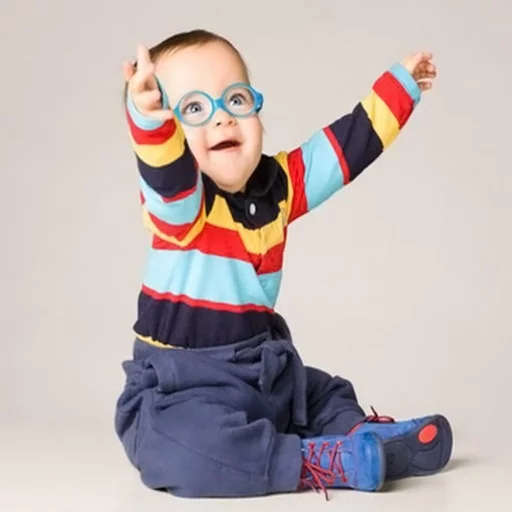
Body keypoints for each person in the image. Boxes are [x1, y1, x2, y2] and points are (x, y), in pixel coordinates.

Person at [114, 29, 452, 500]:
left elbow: (342, 151)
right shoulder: (183, 209)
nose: (222, 118)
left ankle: (360, 437)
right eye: (193, 109)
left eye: (236, 100)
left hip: (263, 368)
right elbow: (166, 172)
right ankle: (316, 461)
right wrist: (150, 120)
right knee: (179, 445)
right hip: (182, 386)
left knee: (322, 392)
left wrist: (399, 88)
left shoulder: (280, 185)